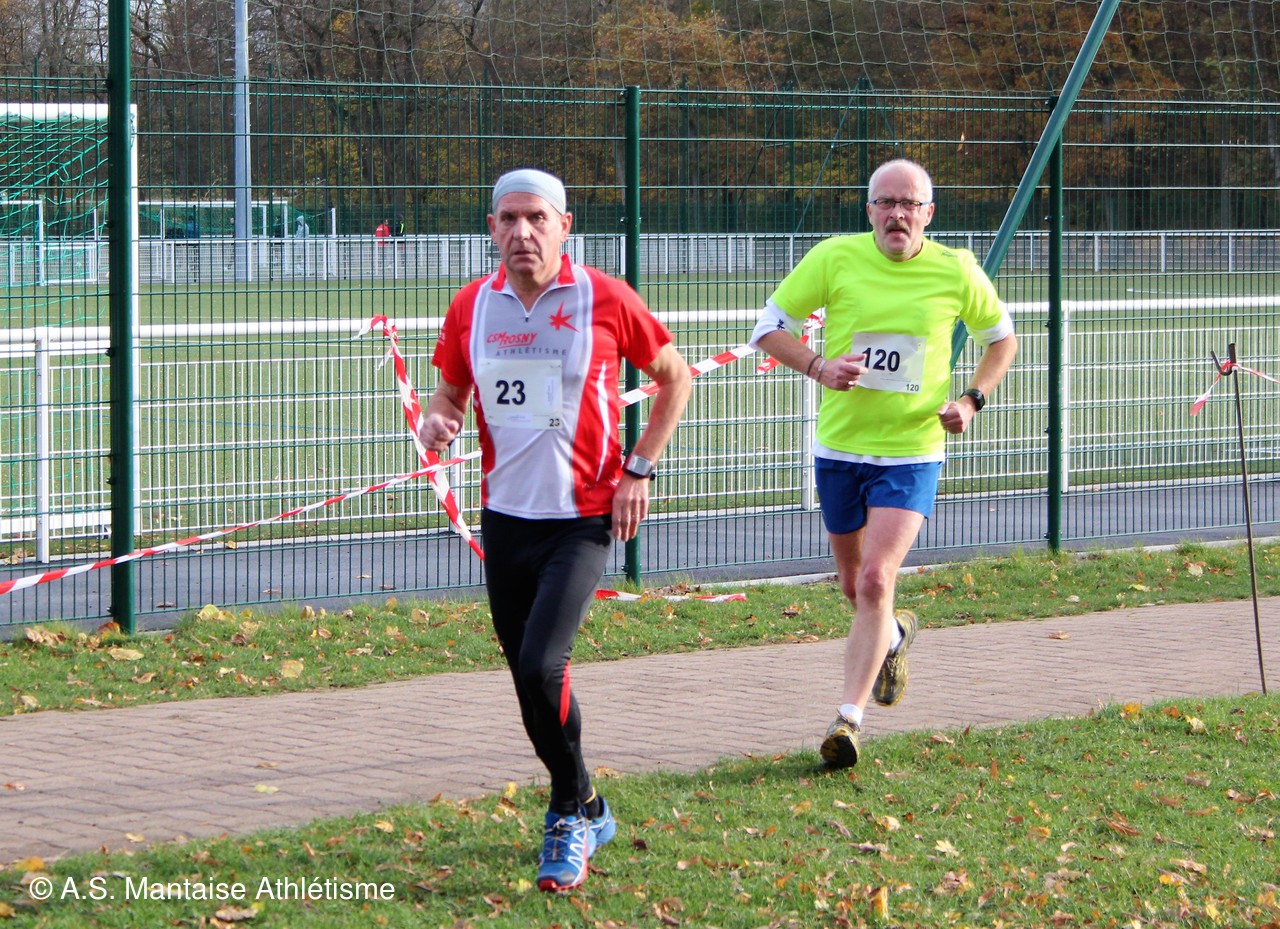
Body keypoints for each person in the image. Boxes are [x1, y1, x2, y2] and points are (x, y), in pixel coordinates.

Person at [418, 168, 692, 891]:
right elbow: (448, 394)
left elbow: (676, 376)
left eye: (537, 218)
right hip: (507, 519)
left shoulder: (606, 297)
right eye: (508, 219)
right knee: (528, 684)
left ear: (564, 226)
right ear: (491, 228)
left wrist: (639, 469)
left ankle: (566, 814)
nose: (523, 232)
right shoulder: (472, 305)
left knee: (543, 665)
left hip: (583, 519)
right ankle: (588, 801)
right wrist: (437, 421)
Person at [750, 158, 1017, 770]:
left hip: (911, 452)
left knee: (875, 580)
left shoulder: (957, 269)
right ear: (869, 210)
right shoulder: (834, 257)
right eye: (886, 203)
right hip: (840, 449)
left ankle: (848, 720)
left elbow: (1002, 339)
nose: (898, 214)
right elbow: (768, 328)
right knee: (853, 586)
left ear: (929, 213)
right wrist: (819, 366)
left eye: (910, 204)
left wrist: (971, 400)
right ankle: (894, 634)